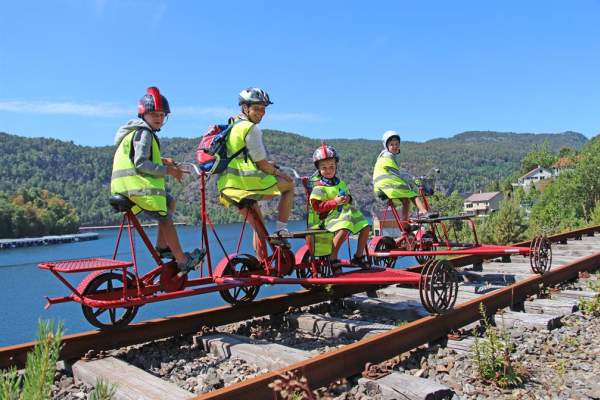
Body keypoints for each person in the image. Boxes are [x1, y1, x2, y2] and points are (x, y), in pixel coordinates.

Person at [111, 86, 204, 275]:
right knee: (166, 218)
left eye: (162, 114)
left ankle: (162, 247)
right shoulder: (144, 133)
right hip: (135, 188)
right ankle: (182, 260)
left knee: (170, 201)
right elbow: (140, 163)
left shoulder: (136, 131)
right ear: (143, 114)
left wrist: (162, 160)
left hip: (126, 187)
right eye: (153, 114)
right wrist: (168, 170)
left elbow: (136, 157)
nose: (158, 118)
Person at [217, 87, 294, 259]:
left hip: (229, 186)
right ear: (245, 108)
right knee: (289, 185)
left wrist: (265, 164)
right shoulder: (251, 128)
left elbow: (241, 157)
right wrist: (277, 172)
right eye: (257, 108)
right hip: (247, 184)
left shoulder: (232, 125)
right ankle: (281, 229)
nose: (261, 113)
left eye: (263, 109)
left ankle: (262, 264)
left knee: (258, 226)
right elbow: (262, 164)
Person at [308, 144, 370, 267]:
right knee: (344, 228)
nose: (328, 170)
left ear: (336, 166)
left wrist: (348, 199)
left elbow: (349, 197)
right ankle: (333, 258)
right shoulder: (319, 187)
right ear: (319, 169)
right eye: (324, 168)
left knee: (366, 227)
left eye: (331, 166)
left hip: (346, 214)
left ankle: (358, 256)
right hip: (328, 217)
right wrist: (335, 202)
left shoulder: (341, 183)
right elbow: (317, 207)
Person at [372, 130, 430, 222]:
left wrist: (408, 177)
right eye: (392, 144)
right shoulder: (388, 157)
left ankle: (405, 226)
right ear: (386, 146)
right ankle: (424, 212)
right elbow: (396, 174)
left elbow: (395, 172)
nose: (395, 146)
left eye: (397, 144)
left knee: (406, 201)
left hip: (380, 187)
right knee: (412, 194)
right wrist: (411, 180)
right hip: (387, 185)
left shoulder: (383, 157)